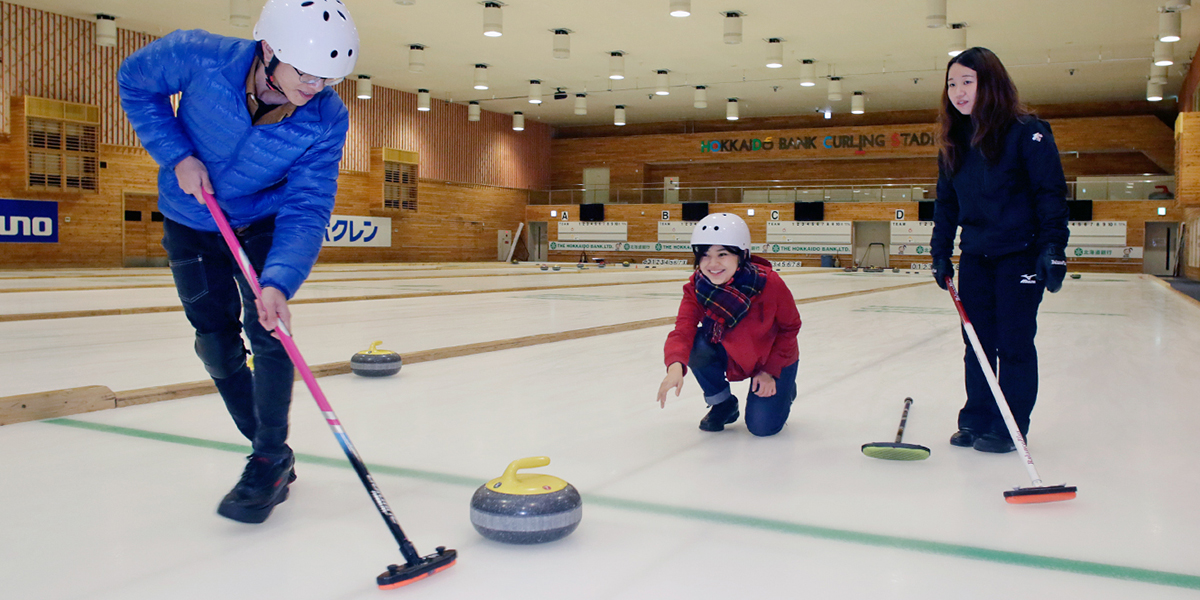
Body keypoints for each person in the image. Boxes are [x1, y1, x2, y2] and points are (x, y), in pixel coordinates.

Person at [118, 0, 358, 522]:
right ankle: (270, 447)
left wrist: (279, 281)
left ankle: (268, 458)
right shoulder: (198, 54)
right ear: (269, 50)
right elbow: (135, 80)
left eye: (328, 77)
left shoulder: (326, 116)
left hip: (263, 220)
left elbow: (309, 202)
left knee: (270, 330)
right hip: (191, 215)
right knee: (216, 342)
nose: (315, 86)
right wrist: (177, 155)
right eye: (306, 72)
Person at [930, 47, 1069, 453]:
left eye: (967, 82)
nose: (957, 91)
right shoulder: (955, 141)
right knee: (977, 344)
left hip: (1020, 255)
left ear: (989, 82)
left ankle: (1010, 424)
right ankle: (976, 417)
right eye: (952, 83)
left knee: (1013, 344)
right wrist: (941, 252)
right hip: (976, 256)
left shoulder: (1028, 131)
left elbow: (1050, 193)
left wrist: (1053, 248)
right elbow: (946, 202)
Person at [657, 213, 802, 436]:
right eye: (705, 256)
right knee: (696, 343)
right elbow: (683, 329)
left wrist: (770, 372)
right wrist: (675, 365)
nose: (712, 264)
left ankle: (785, 388)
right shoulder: (696, 287)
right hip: (731, 354)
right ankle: (723, 403)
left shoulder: (769, 284)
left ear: (742, 255)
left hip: (771, 360)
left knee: (762, 428)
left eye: (722, 254)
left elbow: (789, 328)